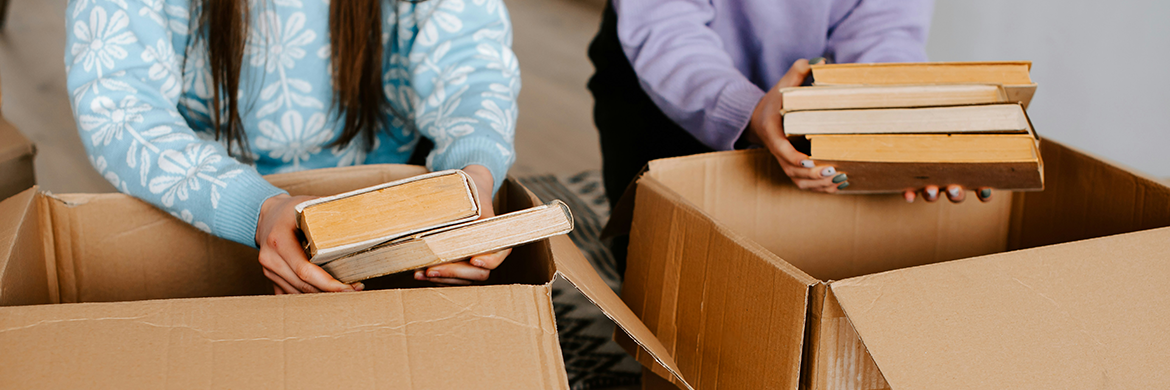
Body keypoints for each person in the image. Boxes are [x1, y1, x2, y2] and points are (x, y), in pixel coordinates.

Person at [65, 0, 520, 293]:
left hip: (389, 198)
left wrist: (470, 177)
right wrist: (258, 209)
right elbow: (117, 100)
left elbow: (472, 64)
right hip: (204, 207)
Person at [588, 0, 992, 272]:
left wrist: (895, 119)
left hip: (807, 107)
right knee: (659, 279)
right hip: (665, 89)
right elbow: (665, 25)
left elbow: (884, 29)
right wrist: (747, 110)